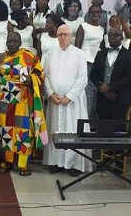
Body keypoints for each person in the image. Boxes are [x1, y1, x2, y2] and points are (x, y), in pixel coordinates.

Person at [0, 32, 47, 176]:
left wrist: (31, 78)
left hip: (22, 101)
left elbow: (39, 73)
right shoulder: (0, 57)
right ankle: (8, 161)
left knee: (23, 131)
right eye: (9, 41)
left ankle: (23, 164)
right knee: (6, 132)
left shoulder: (28, 56)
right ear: (6, 42)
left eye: (15, 41)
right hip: (5, 102)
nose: (12, 44)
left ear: (20, 42)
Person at [42, 25, 91, 176]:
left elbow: (83, 78)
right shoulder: (50, 54)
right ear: (57, 36)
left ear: (71, 36)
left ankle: (74, 164)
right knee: (54, 130)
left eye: (66, 35)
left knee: (73, 129)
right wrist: (50, 93)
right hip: (55, 101)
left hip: (73, 102)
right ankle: (55, 162)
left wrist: (69, 96)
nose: (63, 37)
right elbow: (45, 76)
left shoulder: (80, 54)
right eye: (60, 35)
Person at [90, 28, 131, 121]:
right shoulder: (100, 54)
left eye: (116, 35)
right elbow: (93, 74)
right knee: (103, 130)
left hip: (120, 98)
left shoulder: (129, 55)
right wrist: (103, 89)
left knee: (119, 131)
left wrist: (110, 87)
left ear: (122, 37)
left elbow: (130, 77)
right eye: (110, 35)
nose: (112, 37)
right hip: (102, 98)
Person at [75, 5, 105, 122]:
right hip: (84, 61)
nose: (96, 14)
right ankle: (84, 121)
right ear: (89, 13)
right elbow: (78, 46)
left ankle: (92, 121)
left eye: (98, 12)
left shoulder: (101, 29)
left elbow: (101, 46)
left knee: (94, 93)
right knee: (86, 93)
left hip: (96, 63)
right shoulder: (83, 26)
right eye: (93, 12)